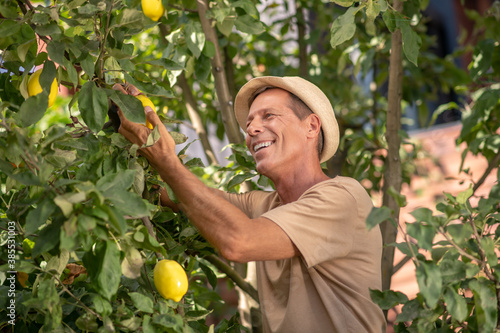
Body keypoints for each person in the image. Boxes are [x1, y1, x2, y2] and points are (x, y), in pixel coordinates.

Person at [116, 76, 387, 332]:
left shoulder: (343, 198)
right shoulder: (265, 206)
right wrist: (132, 115)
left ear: (312, 126)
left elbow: (239, 240)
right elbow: (177, 195)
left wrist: (167, 160)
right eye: (249, 123)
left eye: (269, 115)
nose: (252, 129)